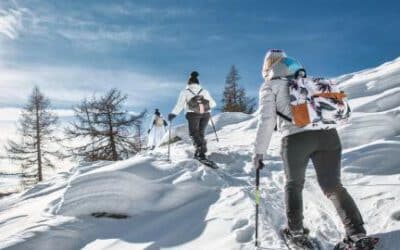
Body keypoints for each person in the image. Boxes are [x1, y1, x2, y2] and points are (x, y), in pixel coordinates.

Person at [253, 49, 369, 247]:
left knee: (294, 184)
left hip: (296, 139)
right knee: (333, 186)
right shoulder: (308, 81)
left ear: (267, 67)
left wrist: (258, 152)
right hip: (329, 136)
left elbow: (266, 120)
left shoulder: (270, 85)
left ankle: (296, 232)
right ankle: (357, 233)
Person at [168, 71, 216, 160]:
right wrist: (205, 107)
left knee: (194, 133)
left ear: (189, 83)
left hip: (193, 114)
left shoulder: (185, 92)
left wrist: (173, 114)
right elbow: (213, 104)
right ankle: (202, 151)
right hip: (205, 114)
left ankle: (200, 150)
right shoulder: (204, 91)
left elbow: (180, 105)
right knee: (201, 133)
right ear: (198, 83)